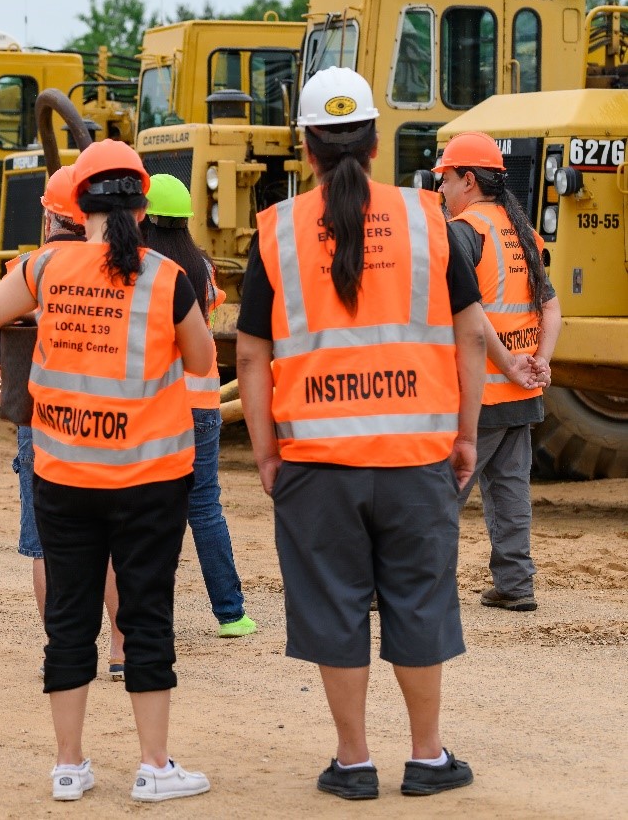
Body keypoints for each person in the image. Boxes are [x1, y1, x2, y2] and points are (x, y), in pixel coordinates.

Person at [236, 67, 486, 799]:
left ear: (306, 147)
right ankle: (427, 756)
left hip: (316, 462)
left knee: (334, 605)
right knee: (418, 600)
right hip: (416, 457)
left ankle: (353, 761)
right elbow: (470, 335)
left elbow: (252, 352)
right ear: (377, 142)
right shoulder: (428, 219)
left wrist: (265, 450)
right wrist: (465, 434)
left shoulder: (278, 231)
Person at [0, 139, 216, 803]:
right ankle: (154, 766)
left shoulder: (46, 267)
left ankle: (70, 766)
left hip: (64, 475)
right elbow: (199, 363)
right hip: (150, 480)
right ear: (140, 201)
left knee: (69, 620)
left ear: (78, 204)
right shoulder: (167, 278)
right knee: (146, 615)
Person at [0, 166, 128, 677]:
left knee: (46, 543)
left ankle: (66, 652)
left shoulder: (32, 269)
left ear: (52, 215)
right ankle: (123, 650)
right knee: (116, 542)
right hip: (116, 418)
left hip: (46, 421)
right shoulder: (132, 266)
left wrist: (8, 397)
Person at [436, 132, 560, 611]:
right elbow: (552, 310)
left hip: (479, 395)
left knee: (440, 493)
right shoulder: (523, 232)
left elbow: (468, 311)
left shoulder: (464, 231)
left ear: (468, 179)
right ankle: (516, 584)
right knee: (511, 494)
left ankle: (416, 585)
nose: (441, 189)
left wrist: (507, 362)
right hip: (521, 393)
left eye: (445, 179)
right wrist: (538, 361)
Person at [138, 174, 258, 639]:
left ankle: (150, 615)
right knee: (205, 506)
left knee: (148, 510)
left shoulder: (143, 268)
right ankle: (232, 613)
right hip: (203, 401)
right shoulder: (203, 267)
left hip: (157, 403)